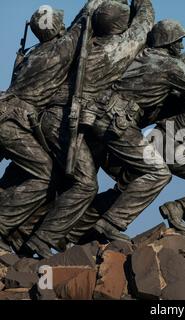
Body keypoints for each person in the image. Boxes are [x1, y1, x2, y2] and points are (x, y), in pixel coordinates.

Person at [24, 0, 159, 256]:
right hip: (62, 120)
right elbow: (144, 24)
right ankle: (43, 238)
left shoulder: (76, 43)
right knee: (85, 183)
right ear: (119, 28)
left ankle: (36, 233)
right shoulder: (117, 49)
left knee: (63, 178)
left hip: (50, 117)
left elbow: (81, 18)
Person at [67, 19, 185, 244]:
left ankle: (77, 229)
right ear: (169, 42)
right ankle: (111, 223)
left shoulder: (139, 55)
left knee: (130, 177)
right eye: (179, 42)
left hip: (99, 118)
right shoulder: (170, 66)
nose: (182, 48)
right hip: (119, 125)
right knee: (158, 173)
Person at [0, 0, 107, 255]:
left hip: (9, 117)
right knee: (44, 175)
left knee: (27, 173)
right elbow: (83, 22)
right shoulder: (61, 49)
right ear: (56, 27)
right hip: (10, 122)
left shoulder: (32, 54)